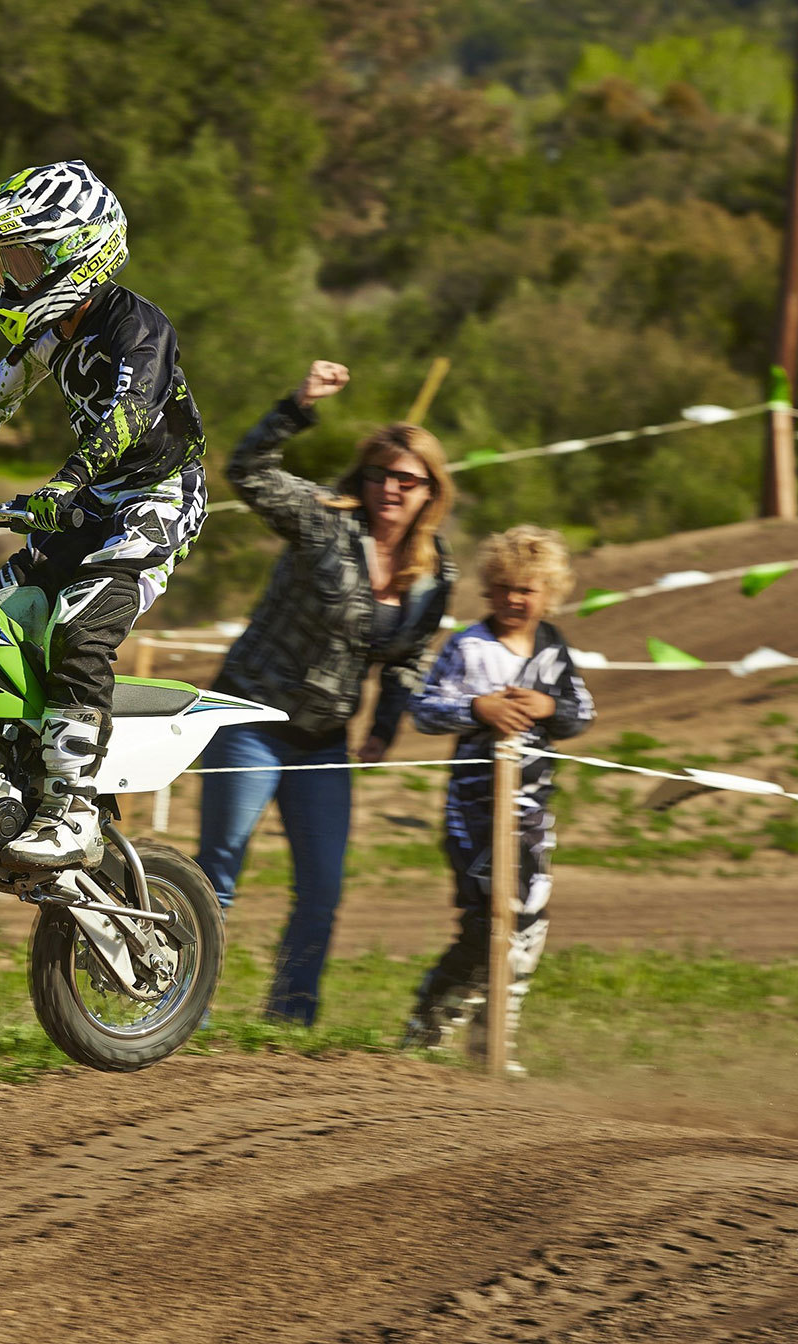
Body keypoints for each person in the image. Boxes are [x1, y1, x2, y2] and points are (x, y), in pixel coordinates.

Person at [0, 160, 207, 869]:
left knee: (79, 625)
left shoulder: (139, 326)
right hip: (90, 501)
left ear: (78, 252)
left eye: (23, 260)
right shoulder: (50, 335)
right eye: (5, 262)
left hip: (157, 500)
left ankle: (73, 810)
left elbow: (132, 412)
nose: (10, 278)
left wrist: (66, 480)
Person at [194, 360, 456, 1025]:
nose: (390, 488)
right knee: (218, 873)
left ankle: (291, 1021)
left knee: (322, 890)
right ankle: (177, 1009)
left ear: (431, 491)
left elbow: (407, 658)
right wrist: (298, 404)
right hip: (250, 718)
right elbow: (248, 471)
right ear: (361, 478)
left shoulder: (434, 572)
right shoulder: (324, 522)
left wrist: (385, 725)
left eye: (407, 479)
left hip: (324, 740)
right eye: (379, 474)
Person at [403, 525, 595, 1076]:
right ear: (489, 589)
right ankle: (428, 1029)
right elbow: (424, 709)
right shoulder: (468, 646)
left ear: (549, 593)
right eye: (505, 588)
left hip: (532, 809)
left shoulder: (554, 649)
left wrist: (548, 708)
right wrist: (477, 709)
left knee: (529, 920)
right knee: (486, 918)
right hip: (474, 807)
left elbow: (583, 712)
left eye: (527, 589)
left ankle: (495, 1040)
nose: (515, 599)